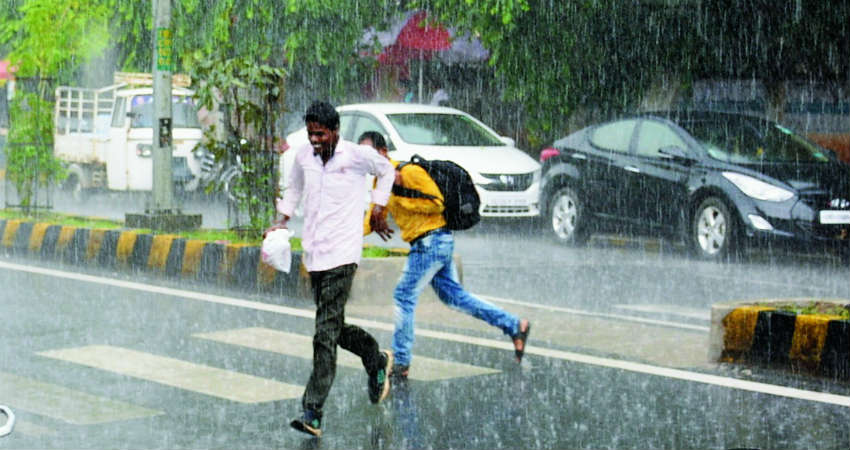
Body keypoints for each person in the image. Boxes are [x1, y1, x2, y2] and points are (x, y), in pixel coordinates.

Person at [265, 102, 396, 438]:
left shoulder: (355, 156)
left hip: (344, 252)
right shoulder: (303, 156)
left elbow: (387, 170)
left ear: (336, 131)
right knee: (333, 326)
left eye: (320, 133)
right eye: (311, 133)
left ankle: (313, 411)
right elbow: (293, 189)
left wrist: (378, 208)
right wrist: (280, 221)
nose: (315, 139)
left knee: (323, 335)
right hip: (316, 252)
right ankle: (374, 357)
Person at [358, 131, 531, 379]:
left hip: (432, 241)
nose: (365, 161)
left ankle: (401, 361)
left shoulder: (408, 173)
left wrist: (403, 195)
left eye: (369, 154)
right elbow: (371, 219)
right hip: (428, 244)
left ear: (383, 152)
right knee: (455, 298)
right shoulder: (380, 183)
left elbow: (436, 203)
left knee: (404, 296)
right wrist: (345, 236)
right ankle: (515, 325)